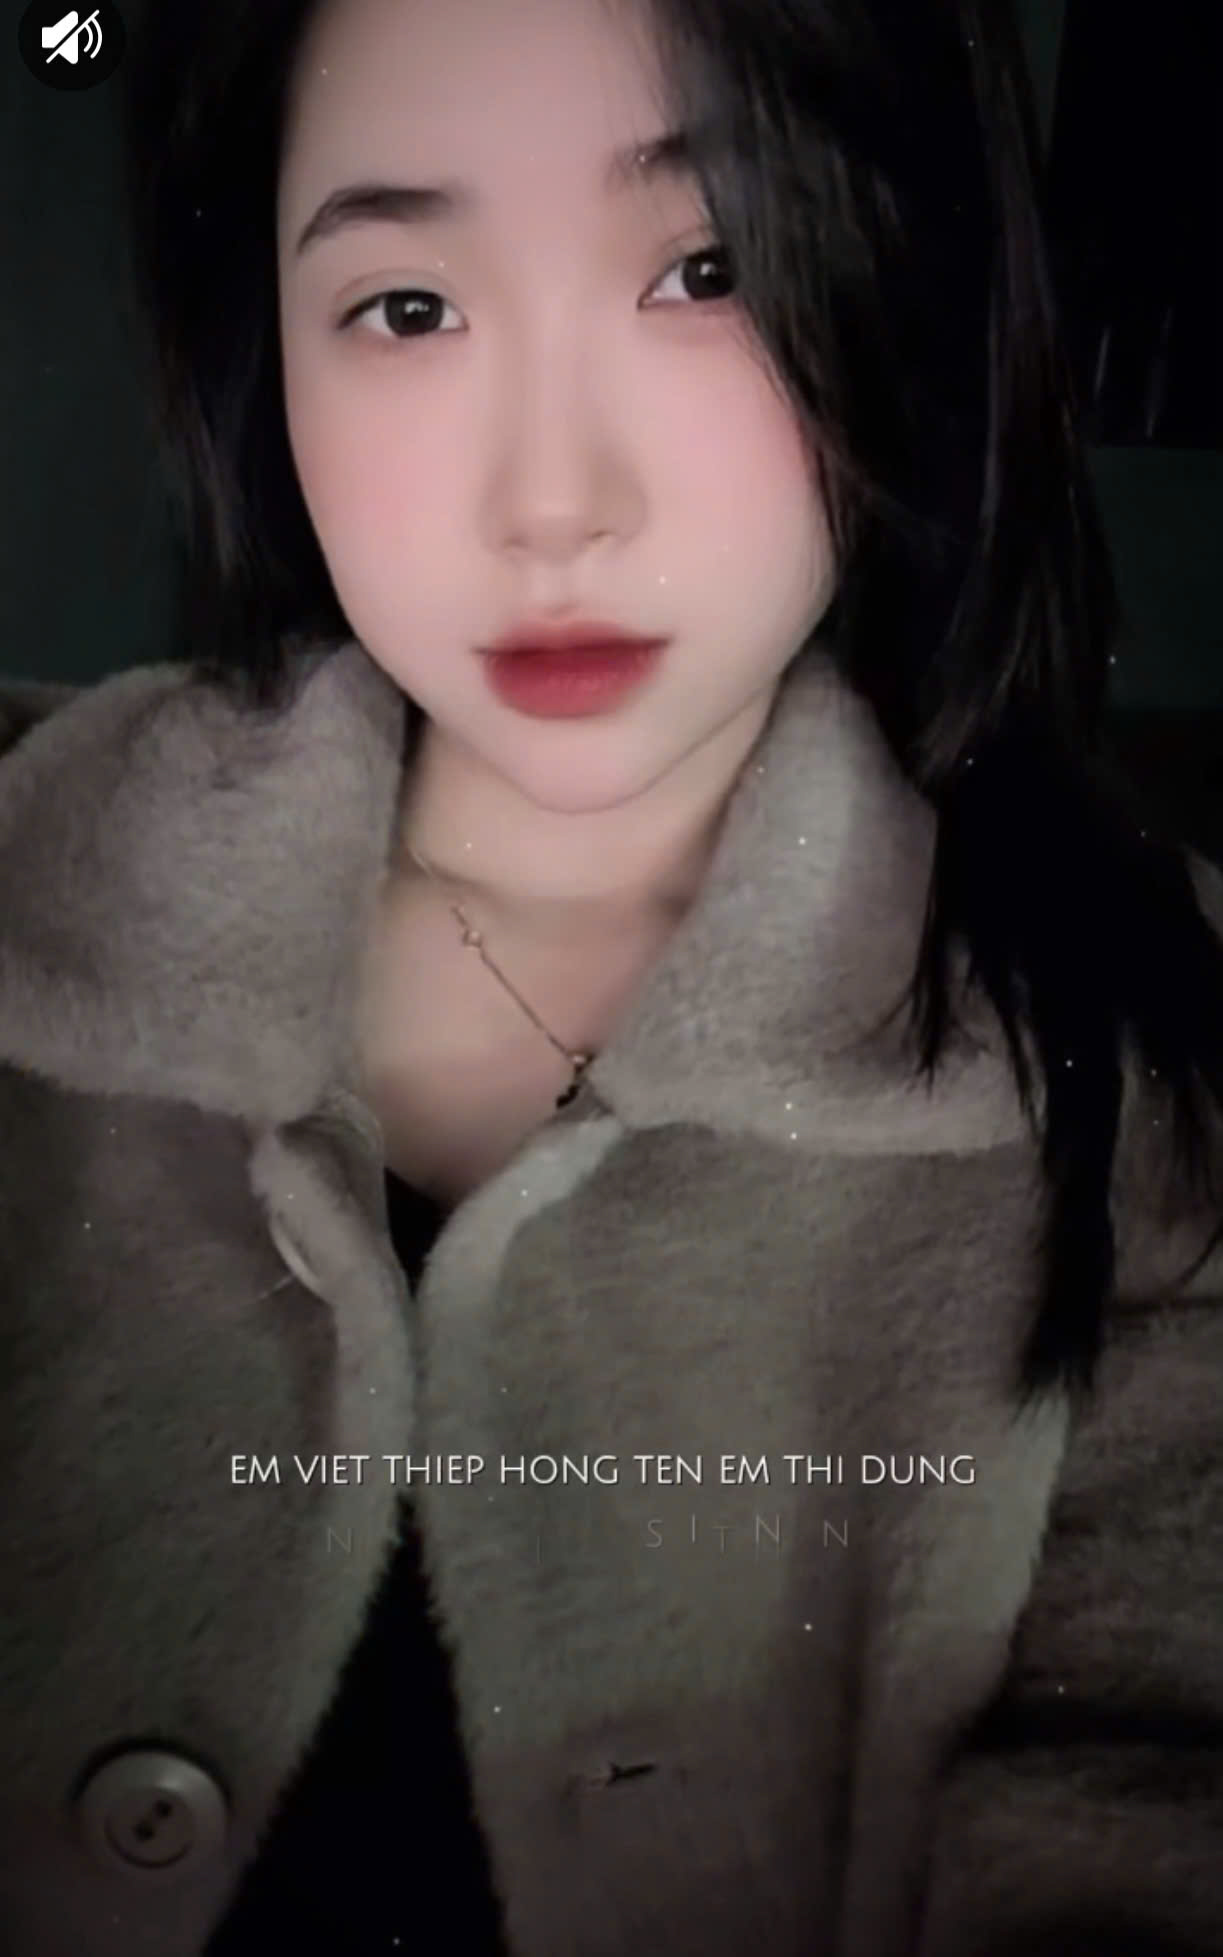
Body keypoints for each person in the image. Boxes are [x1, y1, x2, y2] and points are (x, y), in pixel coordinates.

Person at [1, 0, 1222, 1952]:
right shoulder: (32, 898)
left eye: (706, 271)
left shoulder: (1159, 1068)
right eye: (407, 307)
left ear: (907, 284)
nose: (552, 501)